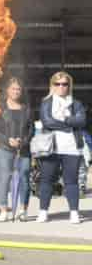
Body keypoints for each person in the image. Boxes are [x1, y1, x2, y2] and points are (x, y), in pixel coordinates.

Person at [37, 71, 87, 223]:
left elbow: (81, 121)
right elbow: (47, 122)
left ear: (69, 86)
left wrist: (63, 119)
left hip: (72, 148)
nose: (61, 87)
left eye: (64, 84)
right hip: (51, 147)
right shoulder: (46, 103)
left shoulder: (76, 103)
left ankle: (74, 213)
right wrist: (68, 124)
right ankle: (43, 212)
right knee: (47, 180)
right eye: (57, 84)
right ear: (52, 85)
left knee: (71, 181)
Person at [0, 78, 33, 222]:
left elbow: (31, 129)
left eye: (18, 89)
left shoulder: (26, 109)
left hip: (23, 149)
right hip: (5, 148)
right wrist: (8, 140)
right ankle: (3, 210)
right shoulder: (0, 108)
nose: (16, 91)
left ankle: (23, 210)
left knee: (24, 178)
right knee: (4, 178)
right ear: (7, 90)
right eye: (13, 89)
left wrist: (23, 141)